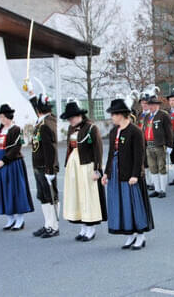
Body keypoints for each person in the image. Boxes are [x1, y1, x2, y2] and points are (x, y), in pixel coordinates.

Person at [102, 99, 154, 250]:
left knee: (134, 204)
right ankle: (130, 234)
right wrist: (106, 173)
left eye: (113, 114)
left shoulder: (135, 131)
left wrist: (135, 175)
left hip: (130, 174)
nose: (111, 117)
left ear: (121, 115)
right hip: (116, 172)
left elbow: (139, 156)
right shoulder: (113, 132)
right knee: (121, 204)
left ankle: (141, 235)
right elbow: (111, 154)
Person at [60, 99, 107, 241]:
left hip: (87, 166)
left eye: (72, 117)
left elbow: (98, 150)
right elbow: (70, 148)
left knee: (88, 197)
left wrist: (97, 169)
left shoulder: (91, 128)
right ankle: (83, 228)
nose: (70, 120)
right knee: (78, 197)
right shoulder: (71, 129)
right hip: (74, 167)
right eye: (69, 118)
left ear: (79, 115)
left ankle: (90, 229)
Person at [0, 104, 34, 230]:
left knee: (15, 190)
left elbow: (16, 148)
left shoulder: (16, 129)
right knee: (3, 191)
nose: (1, 119)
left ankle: (20, 220)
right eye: (0, 116)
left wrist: (3, 161)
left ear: (8, 116)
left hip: (12, 163)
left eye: (2, 116)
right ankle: (10, 219)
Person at [26, 84, 60, 238]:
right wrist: (31, 92)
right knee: (43, 196)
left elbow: (50, 149)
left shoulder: (47, 124)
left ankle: (54, 227)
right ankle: (48, 224)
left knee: (50, 196)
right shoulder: (42, 120)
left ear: (39, 110)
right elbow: (36, 106)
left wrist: (50, 170)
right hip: (38, 166)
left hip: (46, 167)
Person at [144, 96, 173, 198]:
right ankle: (156, 189)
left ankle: (162, 190)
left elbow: (169, 131)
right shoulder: (147, 116)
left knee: (161, 167)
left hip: (160, 145)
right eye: (150, 104)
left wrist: (170, 145)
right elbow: (145, 131)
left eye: (153, 104)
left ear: (157, 105)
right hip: (149, 145)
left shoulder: (163, 115)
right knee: (153, 167)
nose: (151, 106)